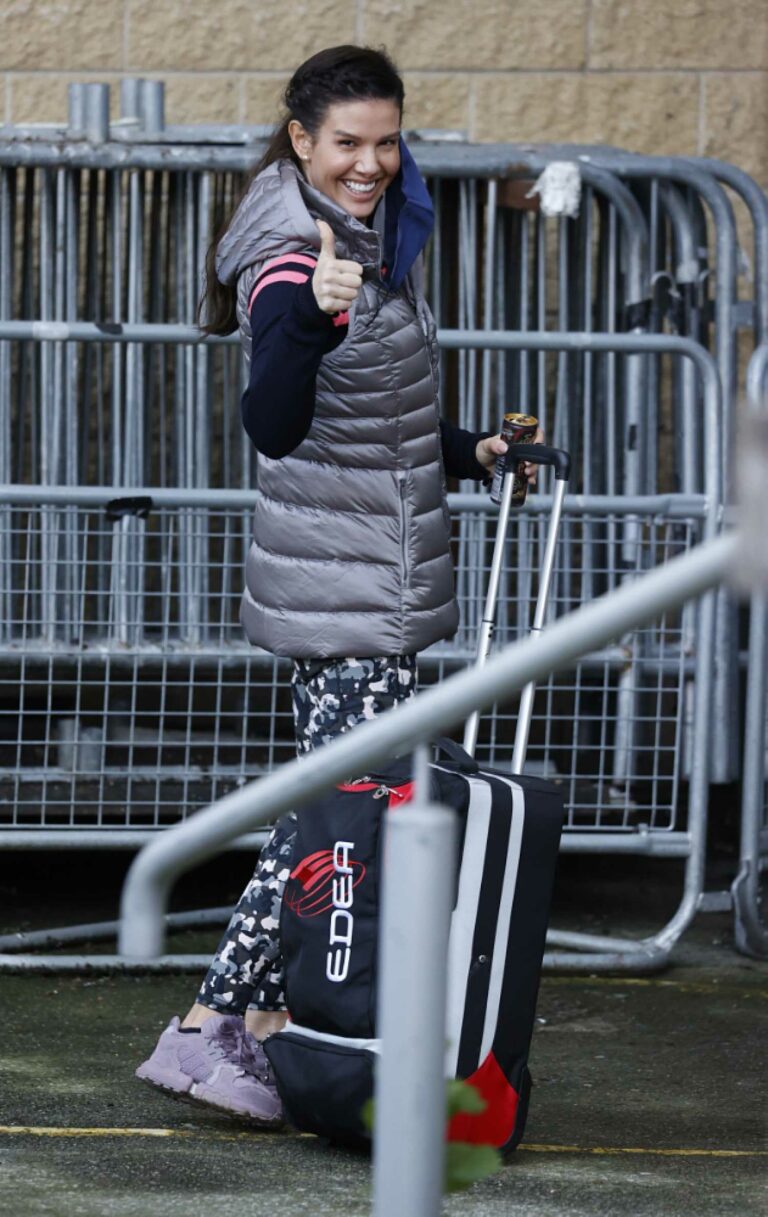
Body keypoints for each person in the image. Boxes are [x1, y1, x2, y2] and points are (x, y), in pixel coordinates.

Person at [135, 43, 541, 1126]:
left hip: (366, 573)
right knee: (329, 824)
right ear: (302, 140)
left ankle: (241, 1026)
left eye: (386, 140)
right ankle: (215, 1026)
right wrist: (313, 311)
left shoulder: (362, 235)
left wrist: (473, 453)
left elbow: (376, 428)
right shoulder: (291, 251)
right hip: (347, 594)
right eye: (347, 143)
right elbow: (273, 418)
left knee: (330, 816)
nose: (369, 162)